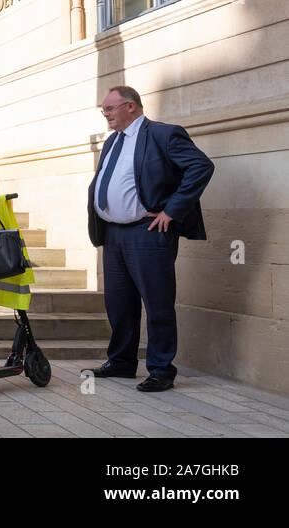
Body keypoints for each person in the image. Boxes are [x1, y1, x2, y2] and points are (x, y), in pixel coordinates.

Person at [87, 85, 213, 393]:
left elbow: (201, 166)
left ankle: (161, 369)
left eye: (110, 108)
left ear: (131, 107)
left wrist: (172, 210)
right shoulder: (113, 141)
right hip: (114, 233)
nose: (105, 114)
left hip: (148, 231)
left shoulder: (163, 134)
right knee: (118, 303)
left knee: (157, 303)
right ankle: (121, 361)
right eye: (104, 109)